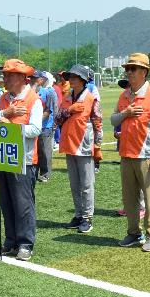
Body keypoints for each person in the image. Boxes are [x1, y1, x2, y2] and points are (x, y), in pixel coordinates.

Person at [0, 59, 43, 261]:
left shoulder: (33, 100)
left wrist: (10, 127)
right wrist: (5, 113)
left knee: (23, 204)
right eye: (5, 74)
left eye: (10, 75)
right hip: (3, 159)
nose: (6, 78)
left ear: (21, 78)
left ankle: (26, 243)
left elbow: (36, 130)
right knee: (6, 202)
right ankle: (10, 242)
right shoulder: (3, 98)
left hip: (24, 160)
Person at [111, 52, 150, 252]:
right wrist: (125, 113)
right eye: (127, 68)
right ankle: (134, 233)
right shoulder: (124, 95)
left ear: (144, 71)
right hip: (127, 154)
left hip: (146, 156)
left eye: (133, 69)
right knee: (129, 198)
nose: (129, 72)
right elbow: (113, 120)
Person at [55, 64, 102, 233]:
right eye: (70, 77)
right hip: (69, 145)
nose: (71, 80)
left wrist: (98, 145)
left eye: (75, 77)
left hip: (84, 145)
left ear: (83, 80)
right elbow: (57, 118)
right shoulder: (67, 97)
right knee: (75, 184)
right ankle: (78, 214)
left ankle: (88, 217)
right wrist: (69, 110)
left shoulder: (91, 98)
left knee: (87, 184)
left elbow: (98, 121)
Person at [35, 70, 58, 182]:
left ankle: (45, 173)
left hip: (46, 125)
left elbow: (52, 109)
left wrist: (54, 123)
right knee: (37, 150)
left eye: (36, 78)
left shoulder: (50, 92)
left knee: (45, 150)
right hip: (36, 125)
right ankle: (35, 172)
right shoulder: (34, 91)